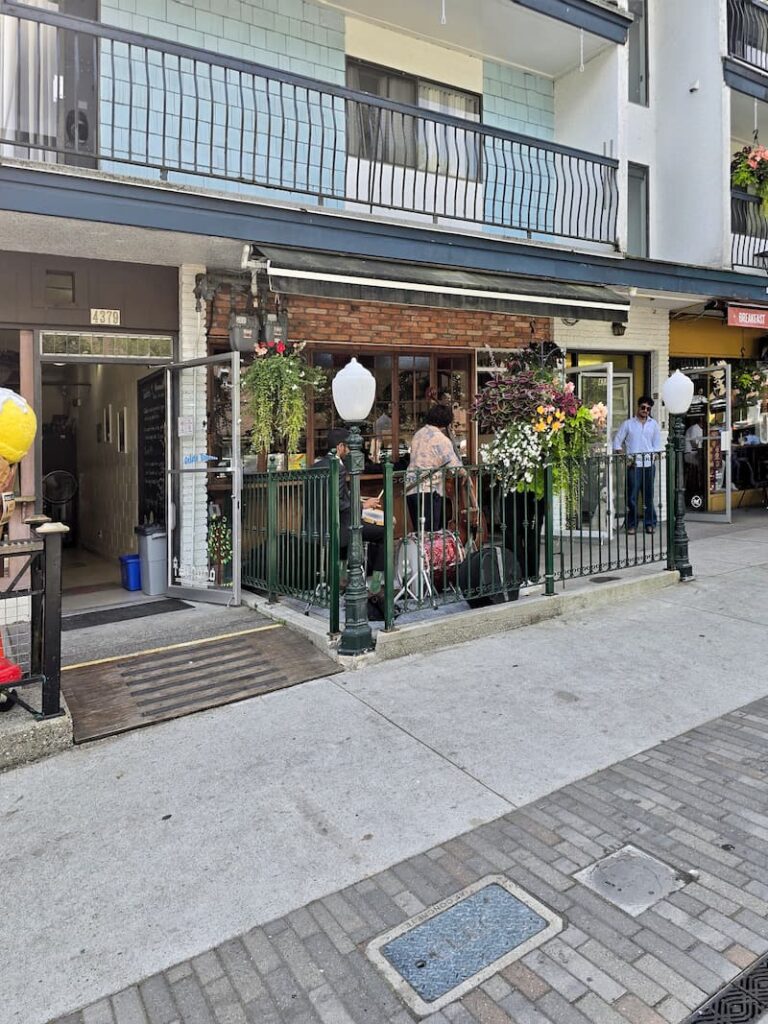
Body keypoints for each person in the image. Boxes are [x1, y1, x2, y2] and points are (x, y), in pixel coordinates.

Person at [311, 428, 386, 591]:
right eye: (348, 446)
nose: (349, 450)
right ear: (340, 447)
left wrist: (355, 497)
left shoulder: (315, 466)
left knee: (350, 527)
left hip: (317, 528)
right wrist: (362, 506)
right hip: (339, 529)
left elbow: (329, 495)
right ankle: (375, 587)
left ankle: (341, 581)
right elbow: (336, 502)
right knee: (384, 532)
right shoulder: (339, 467)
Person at [406, 405, 476, 532]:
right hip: (428, 489)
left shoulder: (418, 434)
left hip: (411, 487)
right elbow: (454, 466)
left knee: (419, 532)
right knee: (430, 533)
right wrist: (466, 474)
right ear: (446, 421)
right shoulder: (441, 439)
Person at [613, 396, 662, 534]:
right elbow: (617, 442)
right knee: (632, 497)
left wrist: (655, 456)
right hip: (634, 466)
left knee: (648, 496)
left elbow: (657, 445)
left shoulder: (654, 424)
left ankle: (649, 523)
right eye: (643, 407)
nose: (645, 410)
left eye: (648, 408)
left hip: (648, 465)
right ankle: (632, 524)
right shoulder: (628, 424)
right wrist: (625, 458)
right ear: (638, 407)